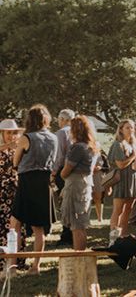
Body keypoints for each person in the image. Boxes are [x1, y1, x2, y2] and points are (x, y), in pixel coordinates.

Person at [11, 104, 58, 274]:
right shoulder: (54, 138)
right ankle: (36, 266)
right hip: (44, 182)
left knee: (14, 225)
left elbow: (15, 161)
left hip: (27, 181)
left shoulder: (26, 137)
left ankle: (11, 266)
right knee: (39, 229)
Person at [59, 115, 99, 251]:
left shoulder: (77, 148)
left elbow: (65, 171)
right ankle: (80, 252)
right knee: (80, 222)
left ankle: (79, 254)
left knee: (76, 224)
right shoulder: (92, 147)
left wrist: (60, 174)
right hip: (86, 183)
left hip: (75, 184)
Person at [0, 119, 27, 271]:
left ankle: (15, 261)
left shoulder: (19, 148)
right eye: (8, 132)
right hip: (1, 192)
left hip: (15, 191)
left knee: (14, 227)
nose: (11, 135)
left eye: (14, 132)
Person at [108, 119, 136, 245]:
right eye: (127, 127)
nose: (130, 130)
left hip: (131, 179)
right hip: (121, 180)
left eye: (132, 127)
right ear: (121, 129)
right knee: (118, 210)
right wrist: (133, 157)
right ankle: (114, 239)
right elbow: (120, 164)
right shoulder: (118, 144)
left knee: (128, 210)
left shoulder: (131, 144)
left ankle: (123, 237)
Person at [52, 108, 75, 247]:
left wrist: (53, 172)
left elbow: (59, 155)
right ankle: (70, 232)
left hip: (63, 170)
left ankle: (66, 235)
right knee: (70, 203)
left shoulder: (61, 133)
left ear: (63, 120)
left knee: (64, 203)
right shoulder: (77, 132)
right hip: (75, 170)